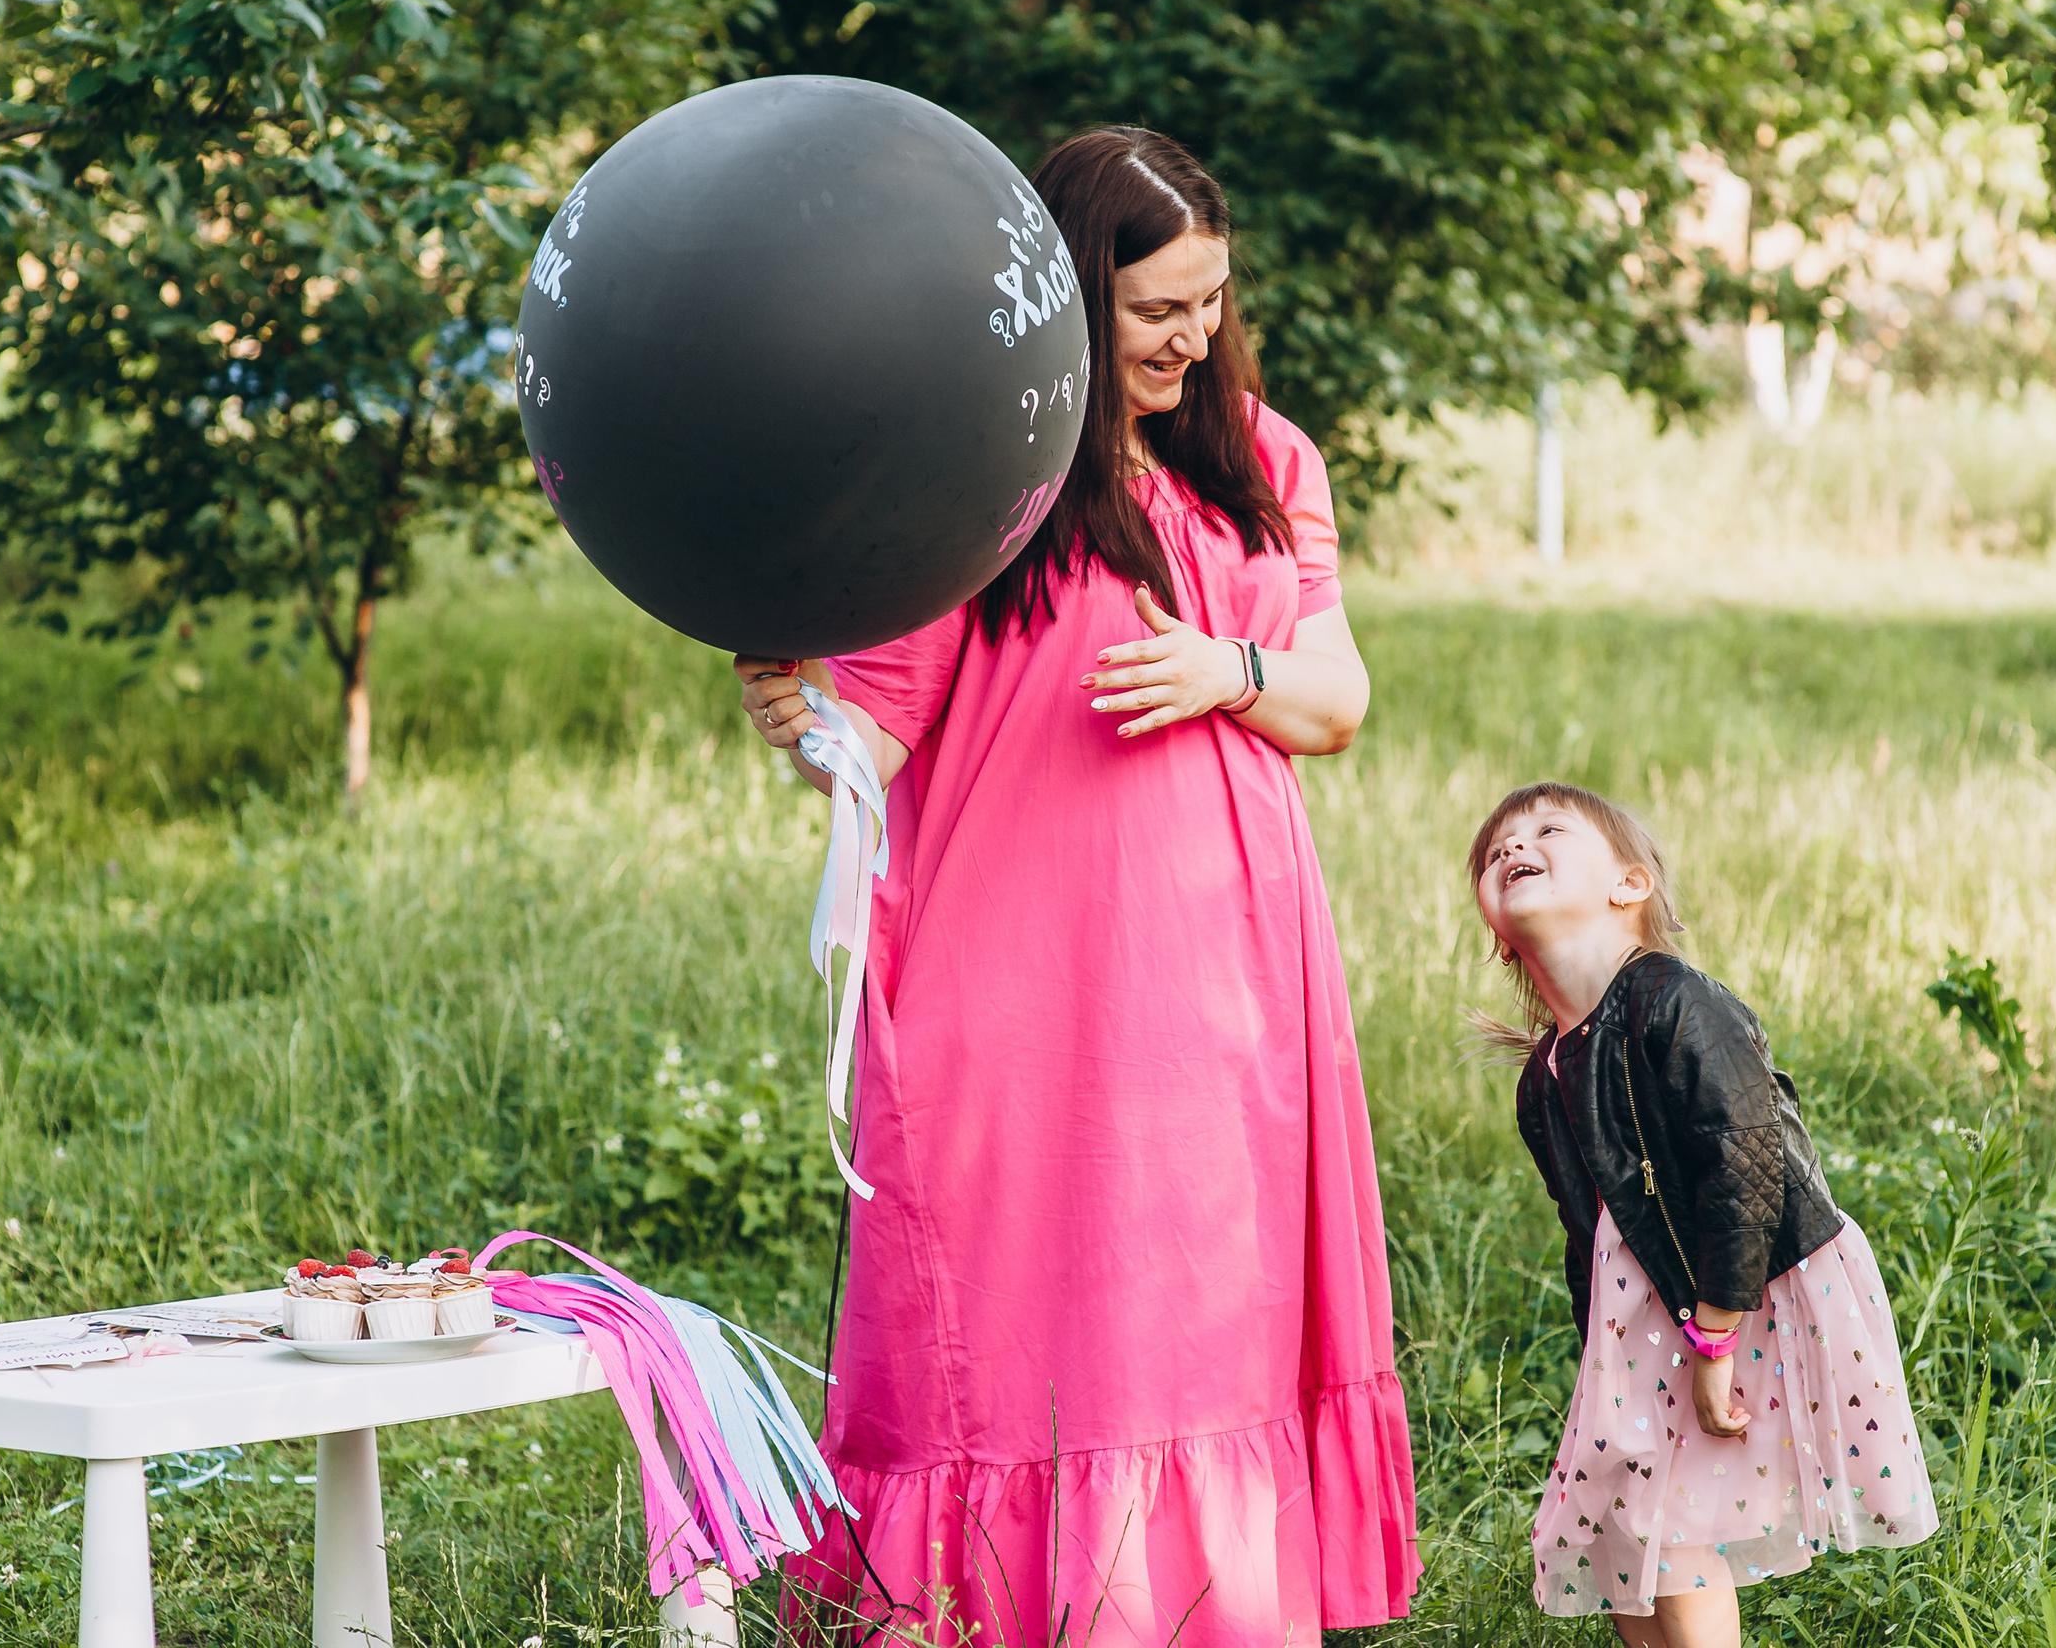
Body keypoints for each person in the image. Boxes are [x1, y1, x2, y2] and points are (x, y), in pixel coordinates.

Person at [737, 127, 1419, 1646]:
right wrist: (803, 721)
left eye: (1211, 302)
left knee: (1208, 1313)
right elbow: (877, 727)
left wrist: (1225, 667)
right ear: (1065, 300)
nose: (1191, 336)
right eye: (1154, 310)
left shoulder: (1266, 455)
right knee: (1038, 1309)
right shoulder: (986, 469)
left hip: (1237, 974)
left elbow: (1337, 699)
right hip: (1036, 967)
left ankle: (1203, 1606)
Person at [1465, 781, 1937, 1644]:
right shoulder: (1546, 1079)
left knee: (1668, 1524)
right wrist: (1595, 1365)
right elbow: (1589, 1240)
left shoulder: (1673, 1002)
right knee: (1622, 1532)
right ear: (1497, 932)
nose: (1511, 848)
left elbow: (1745, 1161)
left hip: (1743, 1288)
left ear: (1629, 886)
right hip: (1645, 1314)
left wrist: (1715, 1331)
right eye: (1495, 852)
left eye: (1545, 832)